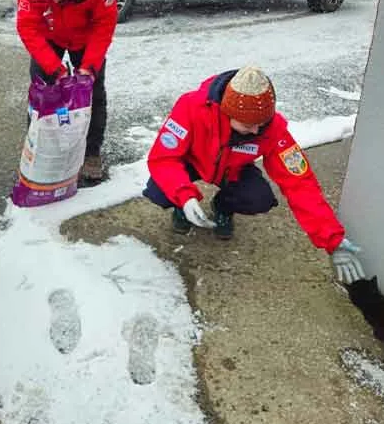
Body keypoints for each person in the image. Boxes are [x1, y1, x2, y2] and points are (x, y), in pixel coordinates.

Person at [142, 66, 367, 284]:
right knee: (159, 189)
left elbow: (301, 184)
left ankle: (222, 207)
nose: (256, 131)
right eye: (248, 125)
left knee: (259, 198)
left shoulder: (273, 130)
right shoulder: (191, 107)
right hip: (190, 162)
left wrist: (332, 240)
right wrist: (184, 195)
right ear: (226, 111)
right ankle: (183, 209)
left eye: (261, 123)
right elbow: (163, 158)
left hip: (232, 170)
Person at [15, 0, 118, 186]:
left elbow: (104, 22)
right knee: (42, 91)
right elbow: (28, 26)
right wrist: (55, 68)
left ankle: (91, 152)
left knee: (92, 91)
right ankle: (39, 146)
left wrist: (89, 67)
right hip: (49, 35)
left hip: (85, 37)